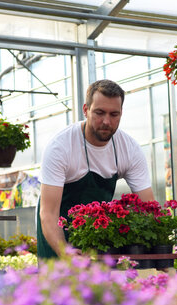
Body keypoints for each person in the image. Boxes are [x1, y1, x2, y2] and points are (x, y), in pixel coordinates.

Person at [36, 79, 155, 259]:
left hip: (96, 236)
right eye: (99, 113)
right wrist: (64, 252)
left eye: (114, 114)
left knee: (99, 286)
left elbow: (149, 207)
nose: (106, 121)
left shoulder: (129, 148)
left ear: (121, 113)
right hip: (57, 235)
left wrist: (158, 247)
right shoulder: (60, 147)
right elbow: (49, 213)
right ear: (86, 110)